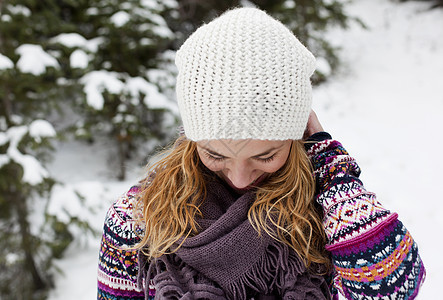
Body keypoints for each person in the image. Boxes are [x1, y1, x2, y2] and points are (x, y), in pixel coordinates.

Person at [97, 7, 425, 300]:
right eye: (216, 154)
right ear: (193, 138)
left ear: (298, 138)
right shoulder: (139, 216)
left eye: (265, 156)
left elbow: (393, 289)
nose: (240, 177)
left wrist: (331, 169)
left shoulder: (327, 208)